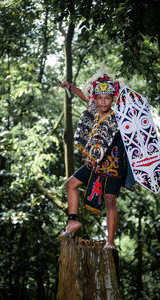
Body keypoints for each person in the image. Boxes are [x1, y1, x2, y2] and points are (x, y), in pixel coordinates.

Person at [59, 66, 135, 249]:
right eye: (100, 98)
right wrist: (70, 87)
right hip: (94, 163)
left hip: (114, 166)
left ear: (112, 99)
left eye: (107, 98)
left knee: (110, 201)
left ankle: (110, 242)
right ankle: (73, 221)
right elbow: (84, 96)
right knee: (71, 184)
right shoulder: (93, 110)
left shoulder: (118, 116)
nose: (103, 101)